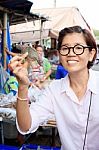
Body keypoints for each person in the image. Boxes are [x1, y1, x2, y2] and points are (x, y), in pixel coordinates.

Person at [8, 25, 98, 150]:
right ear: (59, 54)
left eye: (78, 48)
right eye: (65, 48)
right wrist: (23, 86)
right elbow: (25, 127)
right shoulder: (54, 90)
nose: (71, 53)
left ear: (91, 54)